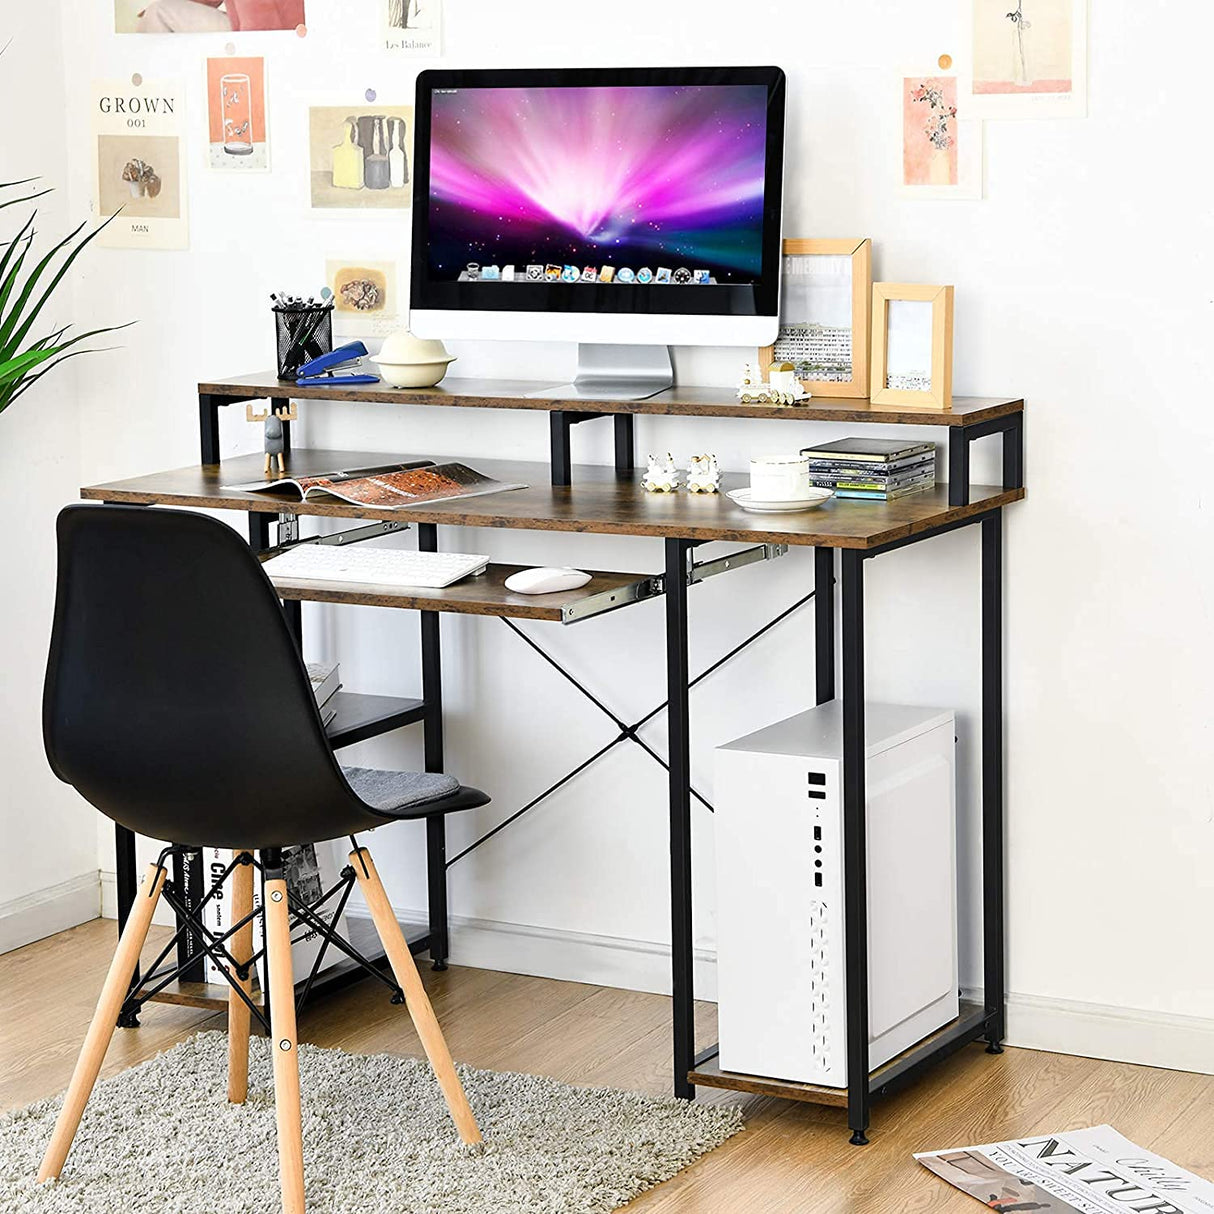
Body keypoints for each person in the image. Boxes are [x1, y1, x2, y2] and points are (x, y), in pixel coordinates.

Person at [136, 0, 304, 32]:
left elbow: (264, 23)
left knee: (159, 12)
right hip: (241, 26)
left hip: (282, 32)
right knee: (158, 12)